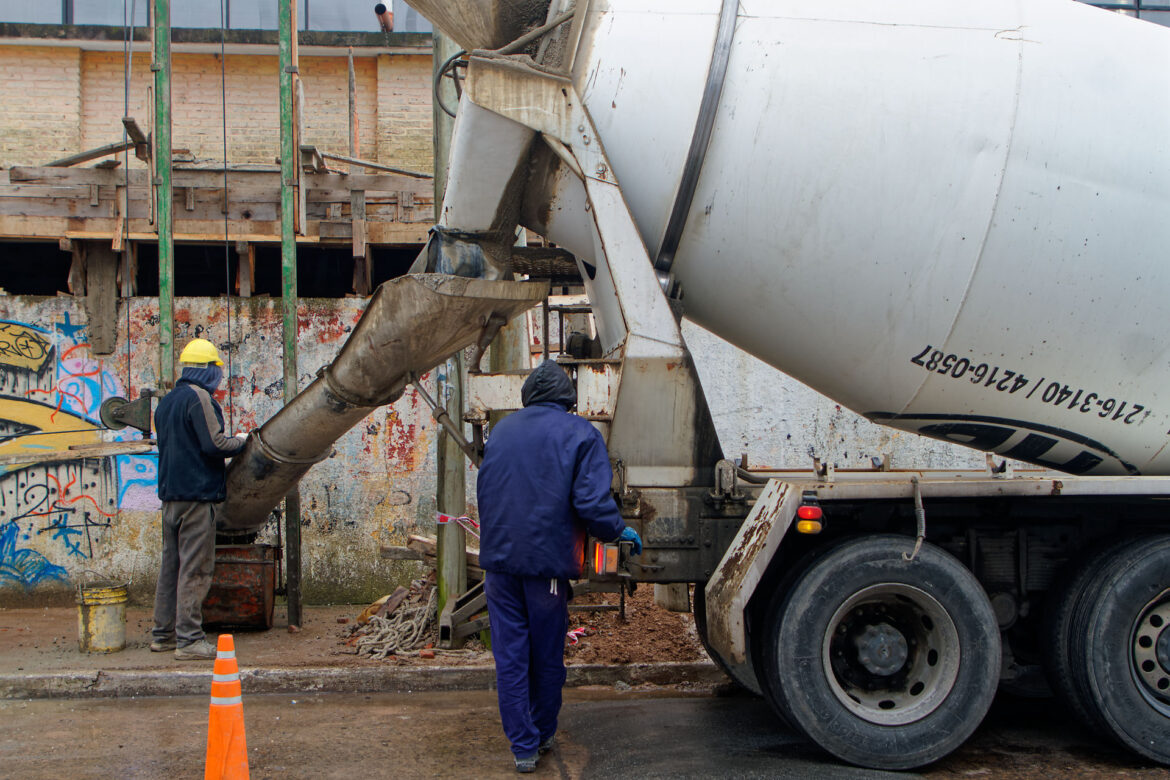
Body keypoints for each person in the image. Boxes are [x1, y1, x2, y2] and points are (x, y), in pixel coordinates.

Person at [476, 359, 642, 773]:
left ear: (528, 395)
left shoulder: (501, 432)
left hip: (498, 565)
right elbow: (591, 502)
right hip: (546, 567)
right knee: (546, 655)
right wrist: (618, 531)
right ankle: (543, 731)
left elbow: (487, 490)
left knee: (510, 657)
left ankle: (522, 748)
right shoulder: (580, 434)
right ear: (568, 398)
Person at [150, 338, 246, 661]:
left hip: (170, 498)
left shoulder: (166, 403)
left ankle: (162, 635)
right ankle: (189, 640)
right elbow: (214, 444)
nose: (218, 378)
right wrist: (242, 443)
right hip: (197, 497)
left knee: (171, 567)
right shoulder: (198, 397)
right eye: (216, 370)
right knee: (195, 568)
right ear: (207, 371)